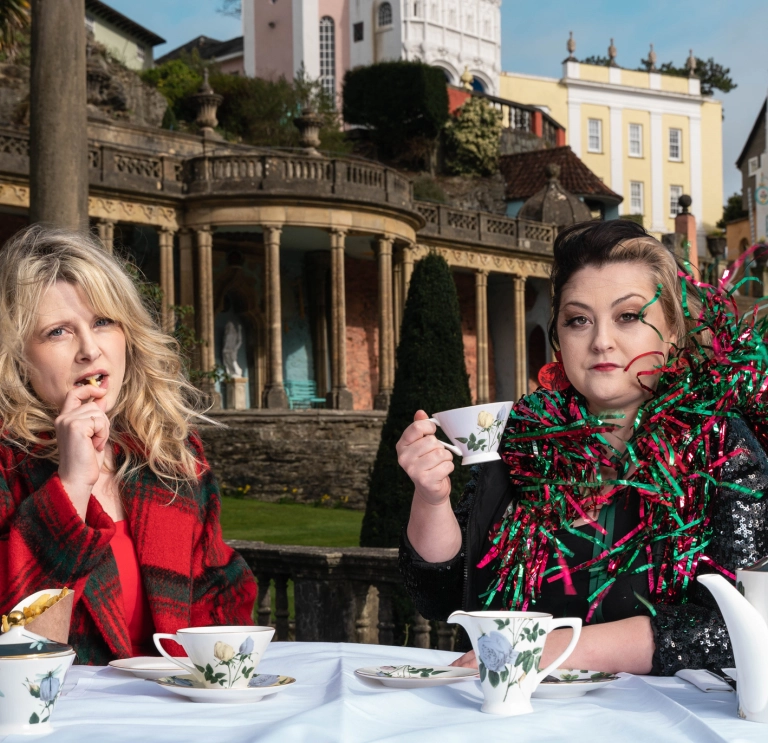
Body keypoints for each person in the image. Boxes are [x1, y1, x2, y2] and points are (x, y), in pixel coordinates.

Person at [398, 219, 768, 676]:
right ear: (559, 337)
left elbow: (741, 623)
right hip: (517, 708)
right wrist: (431, 499)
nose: (601, 341)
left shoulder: (722, 446)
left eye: (628, 316)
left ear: (672, 331)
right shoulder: (521, 440)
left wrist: (551, 650)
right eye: (579, 320)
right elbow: (439, 598)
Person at [0, 226, 257, 664]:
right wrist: (71, 487)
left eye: (103, 322)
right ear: (18, 358)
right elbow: (21, 655)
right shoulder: (8, 469)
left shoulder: (169, 455)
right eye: (58, 331)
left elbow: (222, 600)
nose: (90, 349)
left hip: (175, 701)